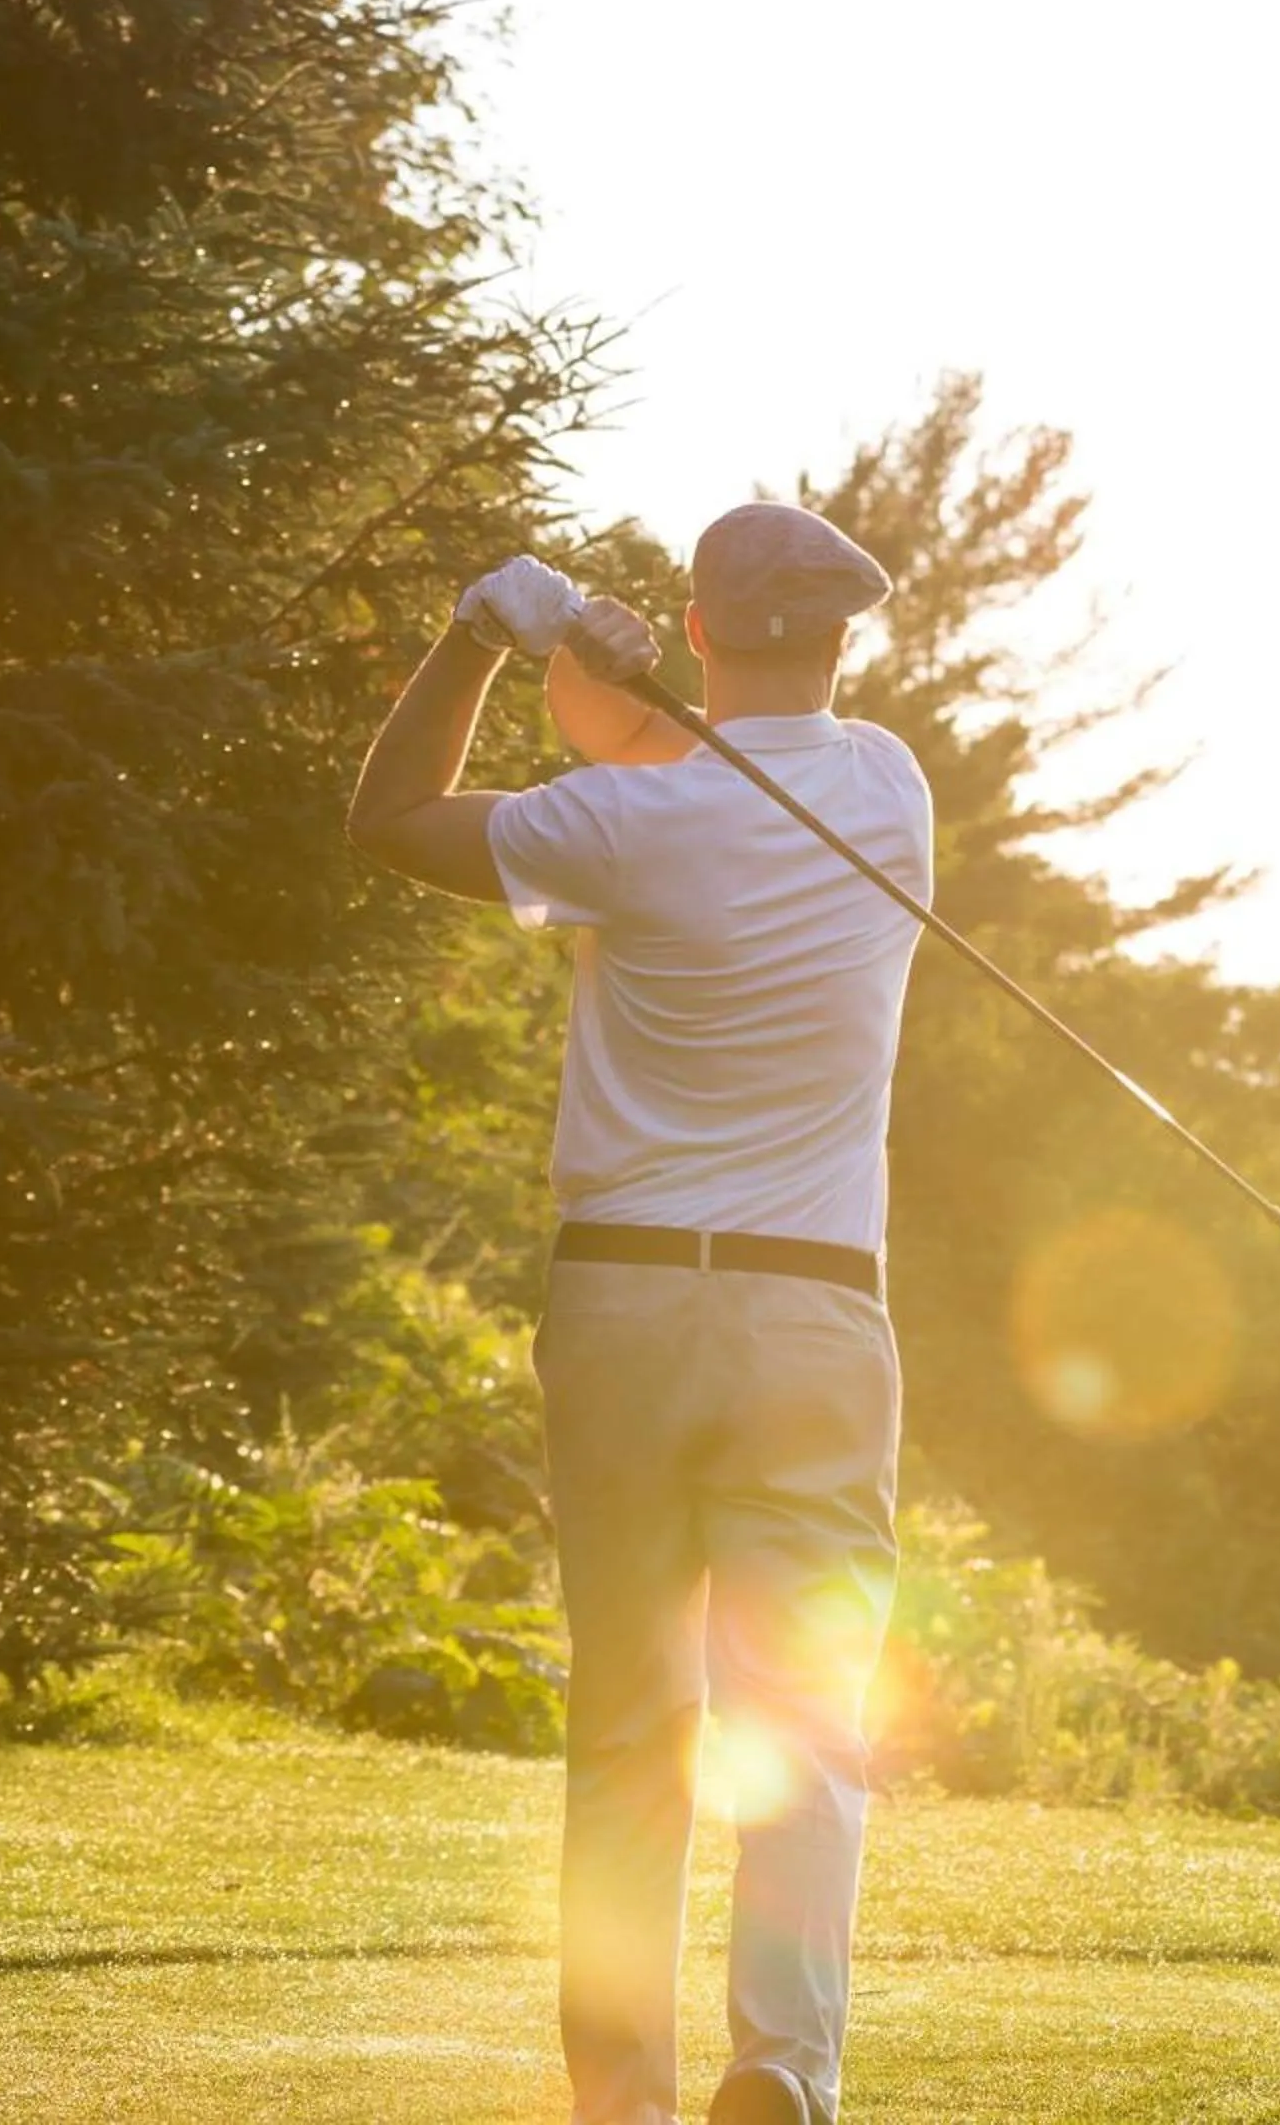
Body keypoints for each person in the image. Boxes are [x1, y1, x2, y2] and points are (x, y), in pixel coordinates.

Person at [346, 503, 933, 2125]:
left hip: (620, 1305)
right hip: (816, 1315)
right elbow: (673, 738)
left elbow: (391, 815)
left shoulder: (616, 822)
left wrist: (498, 628)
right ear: (844, 637)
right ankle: (786, 2073)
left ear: (697, 623)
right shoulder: (891, 788)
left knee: (628, 1725)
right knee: (806, 1724)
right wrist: (586, 649)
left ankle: (625, 2107)